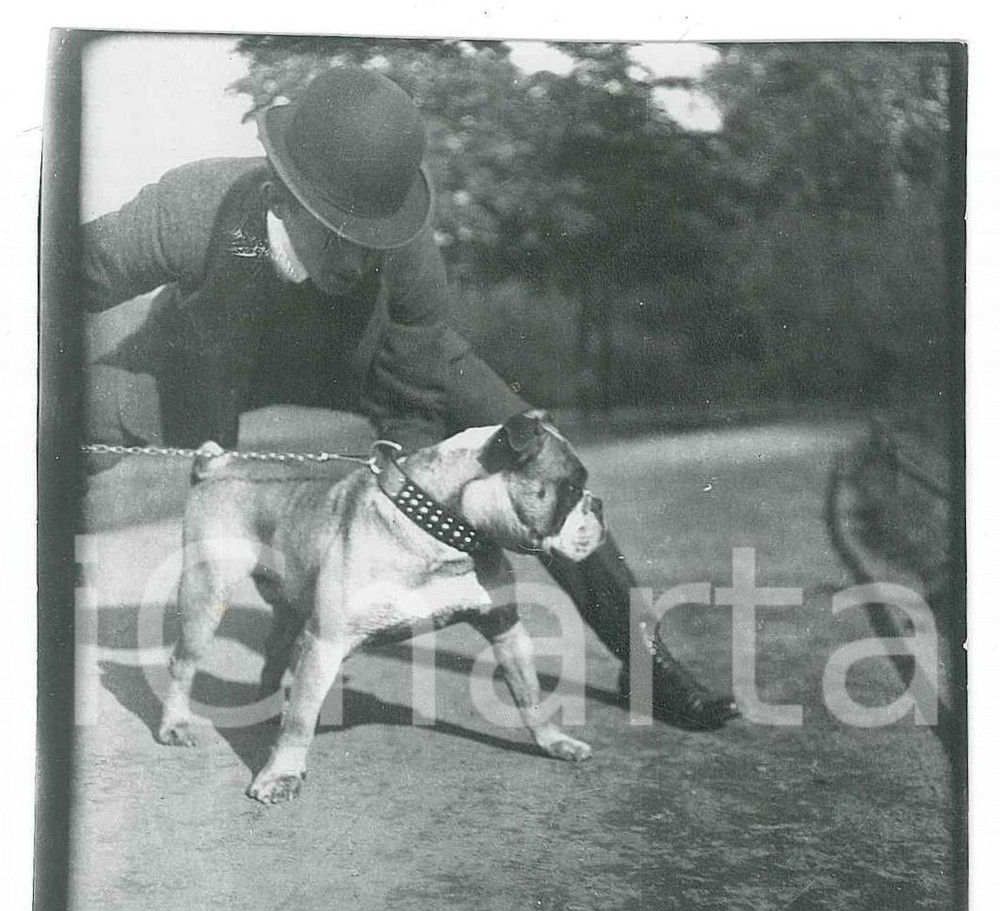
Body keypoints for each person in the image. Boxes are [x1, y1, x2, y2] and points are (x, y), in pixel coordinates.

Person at [81, 66, 738, 730]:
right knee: (59, 425)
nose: (354, 258)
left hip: (369, 365)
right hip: (207, 364)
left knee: (543, 461)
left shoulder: (411, 254)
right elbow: (51, 271)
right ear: (282, 194)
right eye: (334, 230)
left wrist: (408, 531)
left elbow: (412, 407)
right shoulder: (189, 206)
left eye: (372, 238)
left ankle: (649, 662)